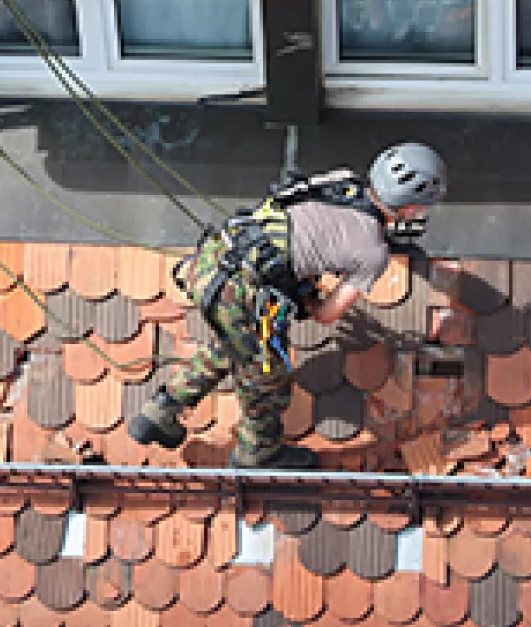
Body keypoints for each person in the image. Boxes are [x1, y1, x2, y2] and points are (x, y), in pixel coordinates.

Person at [128, 142, 448, 469]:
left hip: (215, 257)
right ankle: (258, 454)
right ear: (410, 209)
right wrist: (311, 297)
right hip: (241, 293)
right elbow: (326, 315)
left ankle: (159, 412)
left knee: (235, 345)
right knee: (267, 378)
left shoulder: (341, 180)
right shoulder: (373, 252)